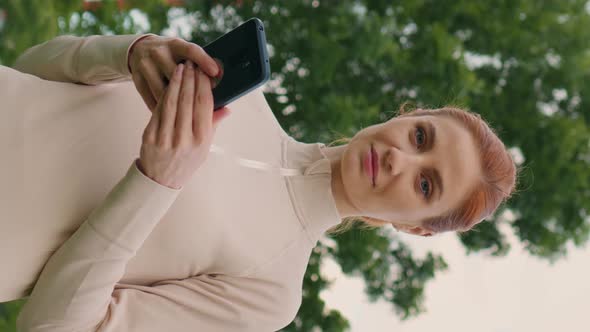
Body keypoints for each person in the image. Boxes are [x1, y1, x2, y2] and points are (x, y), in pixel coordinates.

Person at [0, 32, 517, 331]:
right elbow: (32, 70)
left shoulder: (270, 294)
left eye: (427, 186)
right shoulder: (241, 94)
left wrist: (154, 182)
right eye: (421, 136)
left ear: (416, 229)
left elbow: (50, 327)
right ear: (410, 115)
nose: (401, 159)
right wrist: (127, 52)